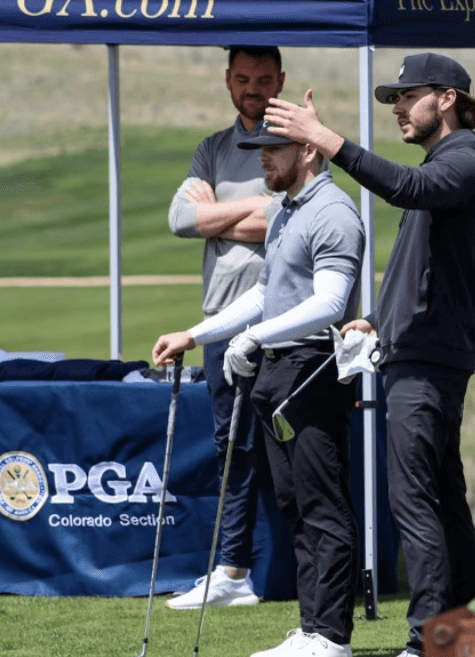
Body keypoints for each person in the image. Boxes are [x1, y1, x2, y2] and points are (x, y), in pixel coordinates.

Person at [265, 53, 475, 657]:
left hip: (428, 361)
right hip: (415, 351)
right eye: (392, 98)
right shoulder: (447, 161)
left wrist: (327, 139)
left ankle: (428, 640)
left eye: (406, 95)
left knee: (414, 497)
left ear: (446, 98)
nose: (396, 106)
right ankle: (463, 631)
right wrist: (377, 319)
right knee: (442, 495)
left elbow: (404, 187)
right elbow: (417, 268)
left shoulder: (467, 161)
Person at [153, 123, 365, 657]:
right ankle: (312, 628)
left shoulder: (333, 212)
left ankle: (332, 637)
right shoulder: (285, 211)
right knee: (295, 505)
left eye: (272, 150)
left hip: (313, 370)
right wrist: (195, 334)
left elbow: (331, 303)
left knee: (323, 505)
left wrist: (255, 336)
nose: (262, 160)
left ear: (309, 150)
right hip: (278, 371)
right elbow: (266, 294)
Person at [163, 45, 286, 610]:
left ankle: (289, 572)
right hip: (220, 323)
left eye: (263, 78)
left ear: (280, 80)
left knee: (289, 452)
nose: (253, 88)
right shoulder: (212, 148)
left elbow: (286, 223)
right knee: (232, 448)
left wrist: (219, 220)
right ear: (228, 82)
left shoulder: (297, 139)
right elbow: (180, 219)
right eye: (243, 78)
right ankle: (232, 571)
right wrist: (251, 214)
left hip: (284, 324)